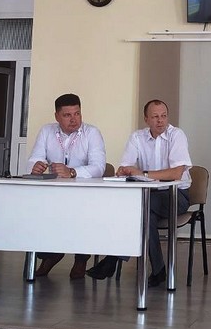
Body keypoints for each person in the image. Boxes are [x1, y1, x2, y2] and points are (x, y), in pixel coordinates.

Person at [87, 99, 192, 287]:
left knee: (139, 207)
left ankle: (112, 259)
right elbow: (126, 167)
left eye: (164, 116)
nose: (160, 120)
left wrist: (142, 174)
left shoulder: (177, 135)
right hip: (148, 197)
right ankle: (159, 270)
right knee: (145, 214)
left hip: (176, 195)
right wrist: (124, 171)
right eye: (155, 117)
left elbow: (176, 173)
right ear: (146, 119)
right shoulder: (137, 137)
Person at [26, 93, 106, 279]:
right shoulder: (47, 131)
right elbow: (34, 159)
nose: (74, 119)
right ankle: (51, 253)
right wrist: (35, 166)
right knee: (36, 209)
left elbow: (99, 167)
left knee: (84, 213)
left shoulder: (92, 133)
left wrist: (72, 172)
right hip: (54, 192)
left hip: (84, 194)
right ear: (56, 116)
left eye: (77, 114)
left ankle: (81, 258)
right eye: (67, 115)